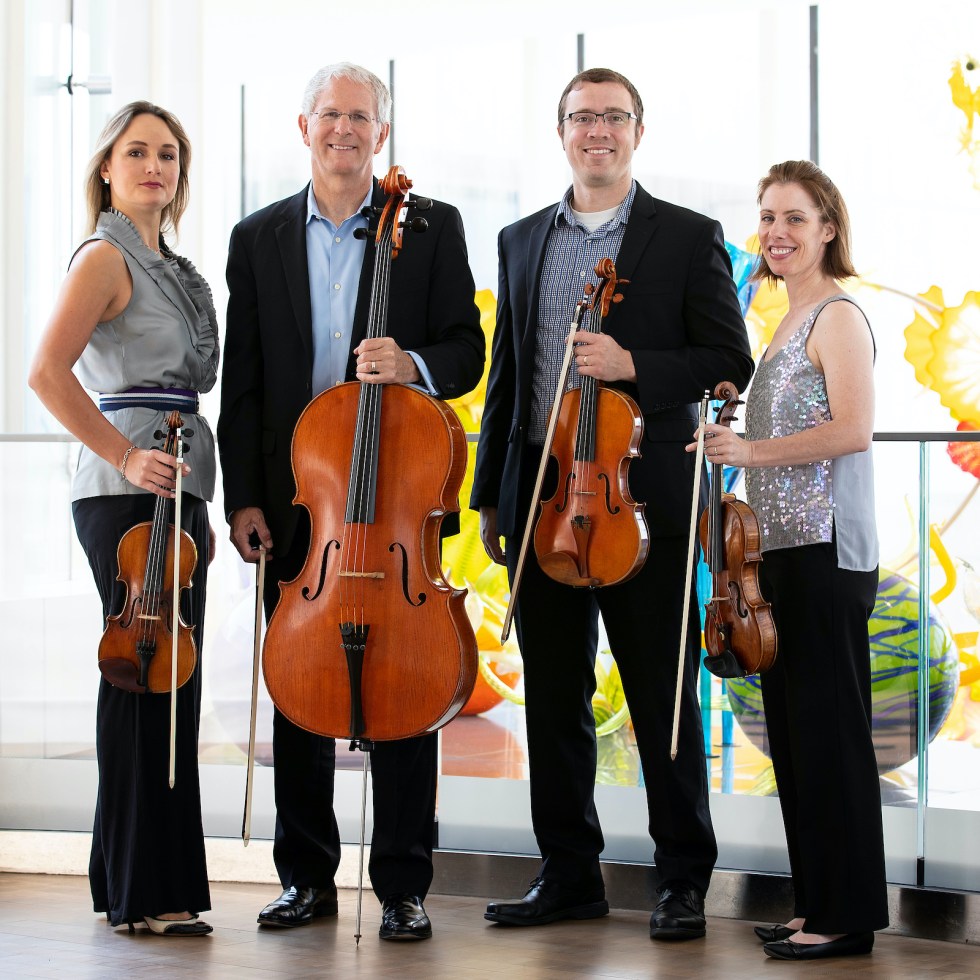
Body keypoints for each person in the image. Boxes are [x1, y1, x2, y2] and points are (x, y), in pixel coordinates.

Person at [472, 67, 754, 942]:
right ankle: (568, 875)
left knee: (661, 697)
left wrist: (635, 366)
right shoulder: (522, 238)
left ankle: (683, 881)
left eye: (614, 117)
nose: (597, 130)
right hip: (544, 501)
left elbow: (728, 362)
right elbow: (510, 374)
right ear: (561, 131)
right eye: (581, 116)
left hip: (643, 505)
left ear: (638, 130)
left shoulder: (689, 236)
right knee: (554, 699)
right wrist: (494, 499)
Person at [217, 62, 484, 942]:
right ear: (304, 128)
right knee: (300, 693)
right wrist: (244, 498)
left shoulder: (431, 227)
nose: (344, 129)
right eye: (330, 114)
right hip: (303, 501)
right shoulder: (256, 236)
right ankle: (305, 878)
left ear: (383, 132)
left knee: (408, 690)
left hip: (396, 496)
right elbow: (243, 383)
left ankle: (404, 884)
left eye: (361, 117)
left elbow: (468, 350)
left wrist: (412, 364)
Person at [28, 102, 218, 936]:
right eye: (136, 152)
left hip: (181, 480)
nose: (154, 167)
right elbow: (46, 371)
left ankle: (136, 883)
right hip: (126, 487)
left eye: (168, 154)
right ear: (107, 168)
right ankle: (145, 889)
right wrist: (125, 455)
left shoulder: (168, 264)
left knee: (170, 680)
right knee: (143, 677)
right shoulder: (105, 257)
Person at [691, 160, 888, 960]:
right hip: (777, 554)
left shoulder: (837, 317)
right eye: (769, 217)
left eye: (795, 218)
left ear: (828, 229)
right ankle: (816, 907)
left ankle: (846, 916)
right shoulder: (785, 320)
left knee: (830, 739)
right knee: (799, 742)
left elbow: (852, 431)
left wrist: (748, 449)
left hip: (827, 553)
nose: (777, 232)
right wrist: (730, 430)